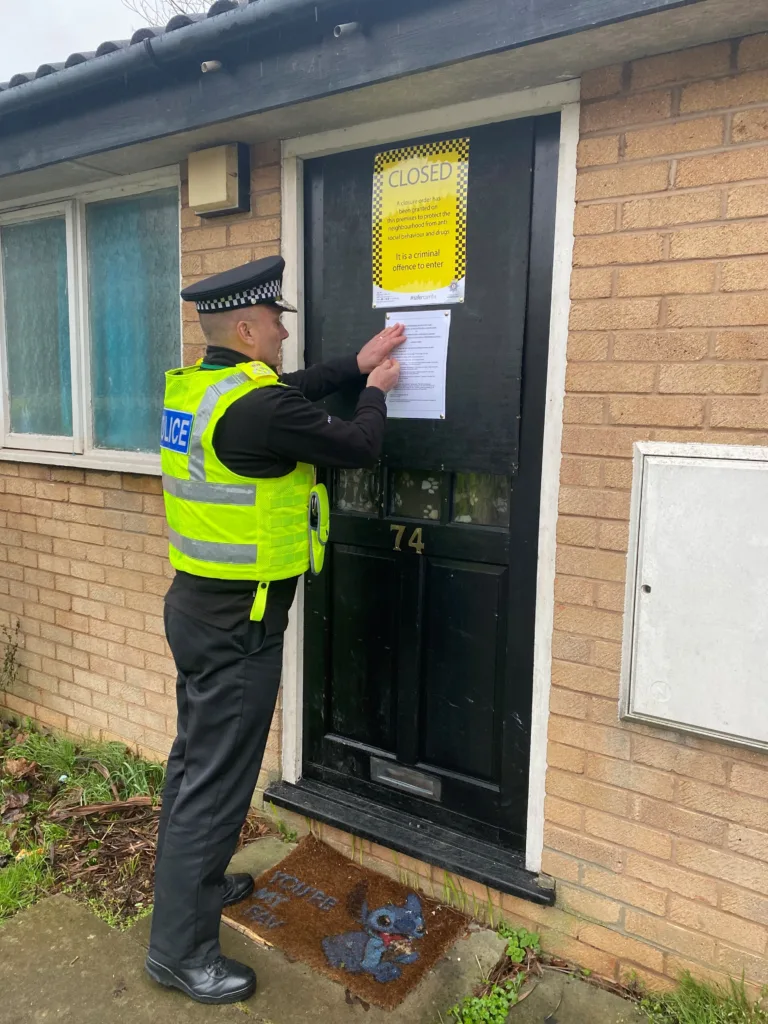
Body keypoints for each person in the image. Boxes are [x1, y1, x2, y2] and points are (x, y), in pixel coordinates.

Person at [146, 255, 404, 1004]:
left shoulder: (205, 389)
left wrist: (352, 364)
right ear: (250, 326)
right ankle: (178, 952)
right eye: (279, 322)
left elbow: (287, 394)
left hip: (199, 609)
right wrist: (377, 391)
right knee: (217, 786)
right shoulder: (256, 406)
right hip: (238, 627)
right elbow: (357, 446)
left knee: (195, 764)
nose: (286, 333)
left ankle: (197, 887)